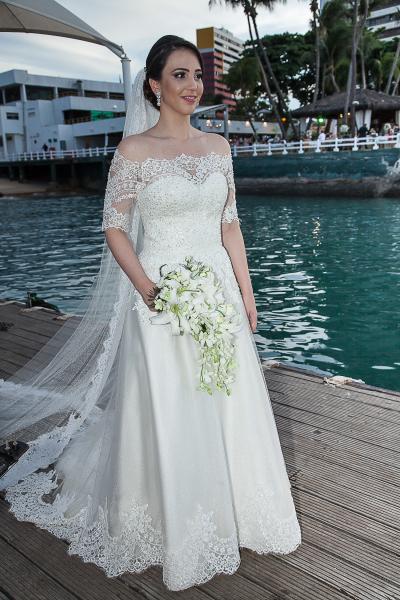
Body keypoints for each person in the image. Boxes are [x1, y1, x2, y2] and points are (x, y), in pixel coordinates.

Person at [0, 35, 301, 591]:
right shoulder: (134, 152)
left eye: (197, 75)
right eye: (180, 75)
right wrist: (146, 288)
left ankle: (243, 507)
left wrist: (248, 293)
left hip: (218, 289)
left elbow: (229, 224)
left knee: (227, 396)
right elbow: (114, 227)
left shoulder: (218, 148)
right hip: (162, 293)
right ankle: (177, 514)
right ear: (155, 86)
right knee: (174, 400)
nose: (193, 86)